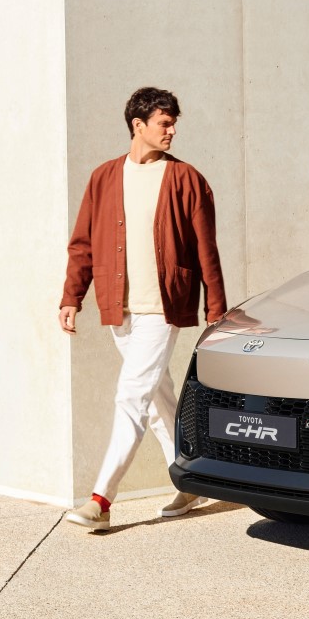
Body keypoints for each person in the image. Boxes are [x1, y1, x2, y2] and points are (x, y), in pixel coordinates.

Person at [59, 87, 227, 531]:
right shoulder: (104, 177)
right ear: (139, 125)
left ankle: (101, 500)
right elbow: (82, 244)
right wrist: (72, 297)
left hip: (162, 307)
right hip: (120, 307)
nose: (172, 131)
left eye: (173, 124)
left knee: (132, 395)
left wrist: (215, 307)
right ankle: (191, 478)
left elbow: (206, 248)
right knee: (155, 397)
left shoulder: (186, 179)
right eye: (164, 123)